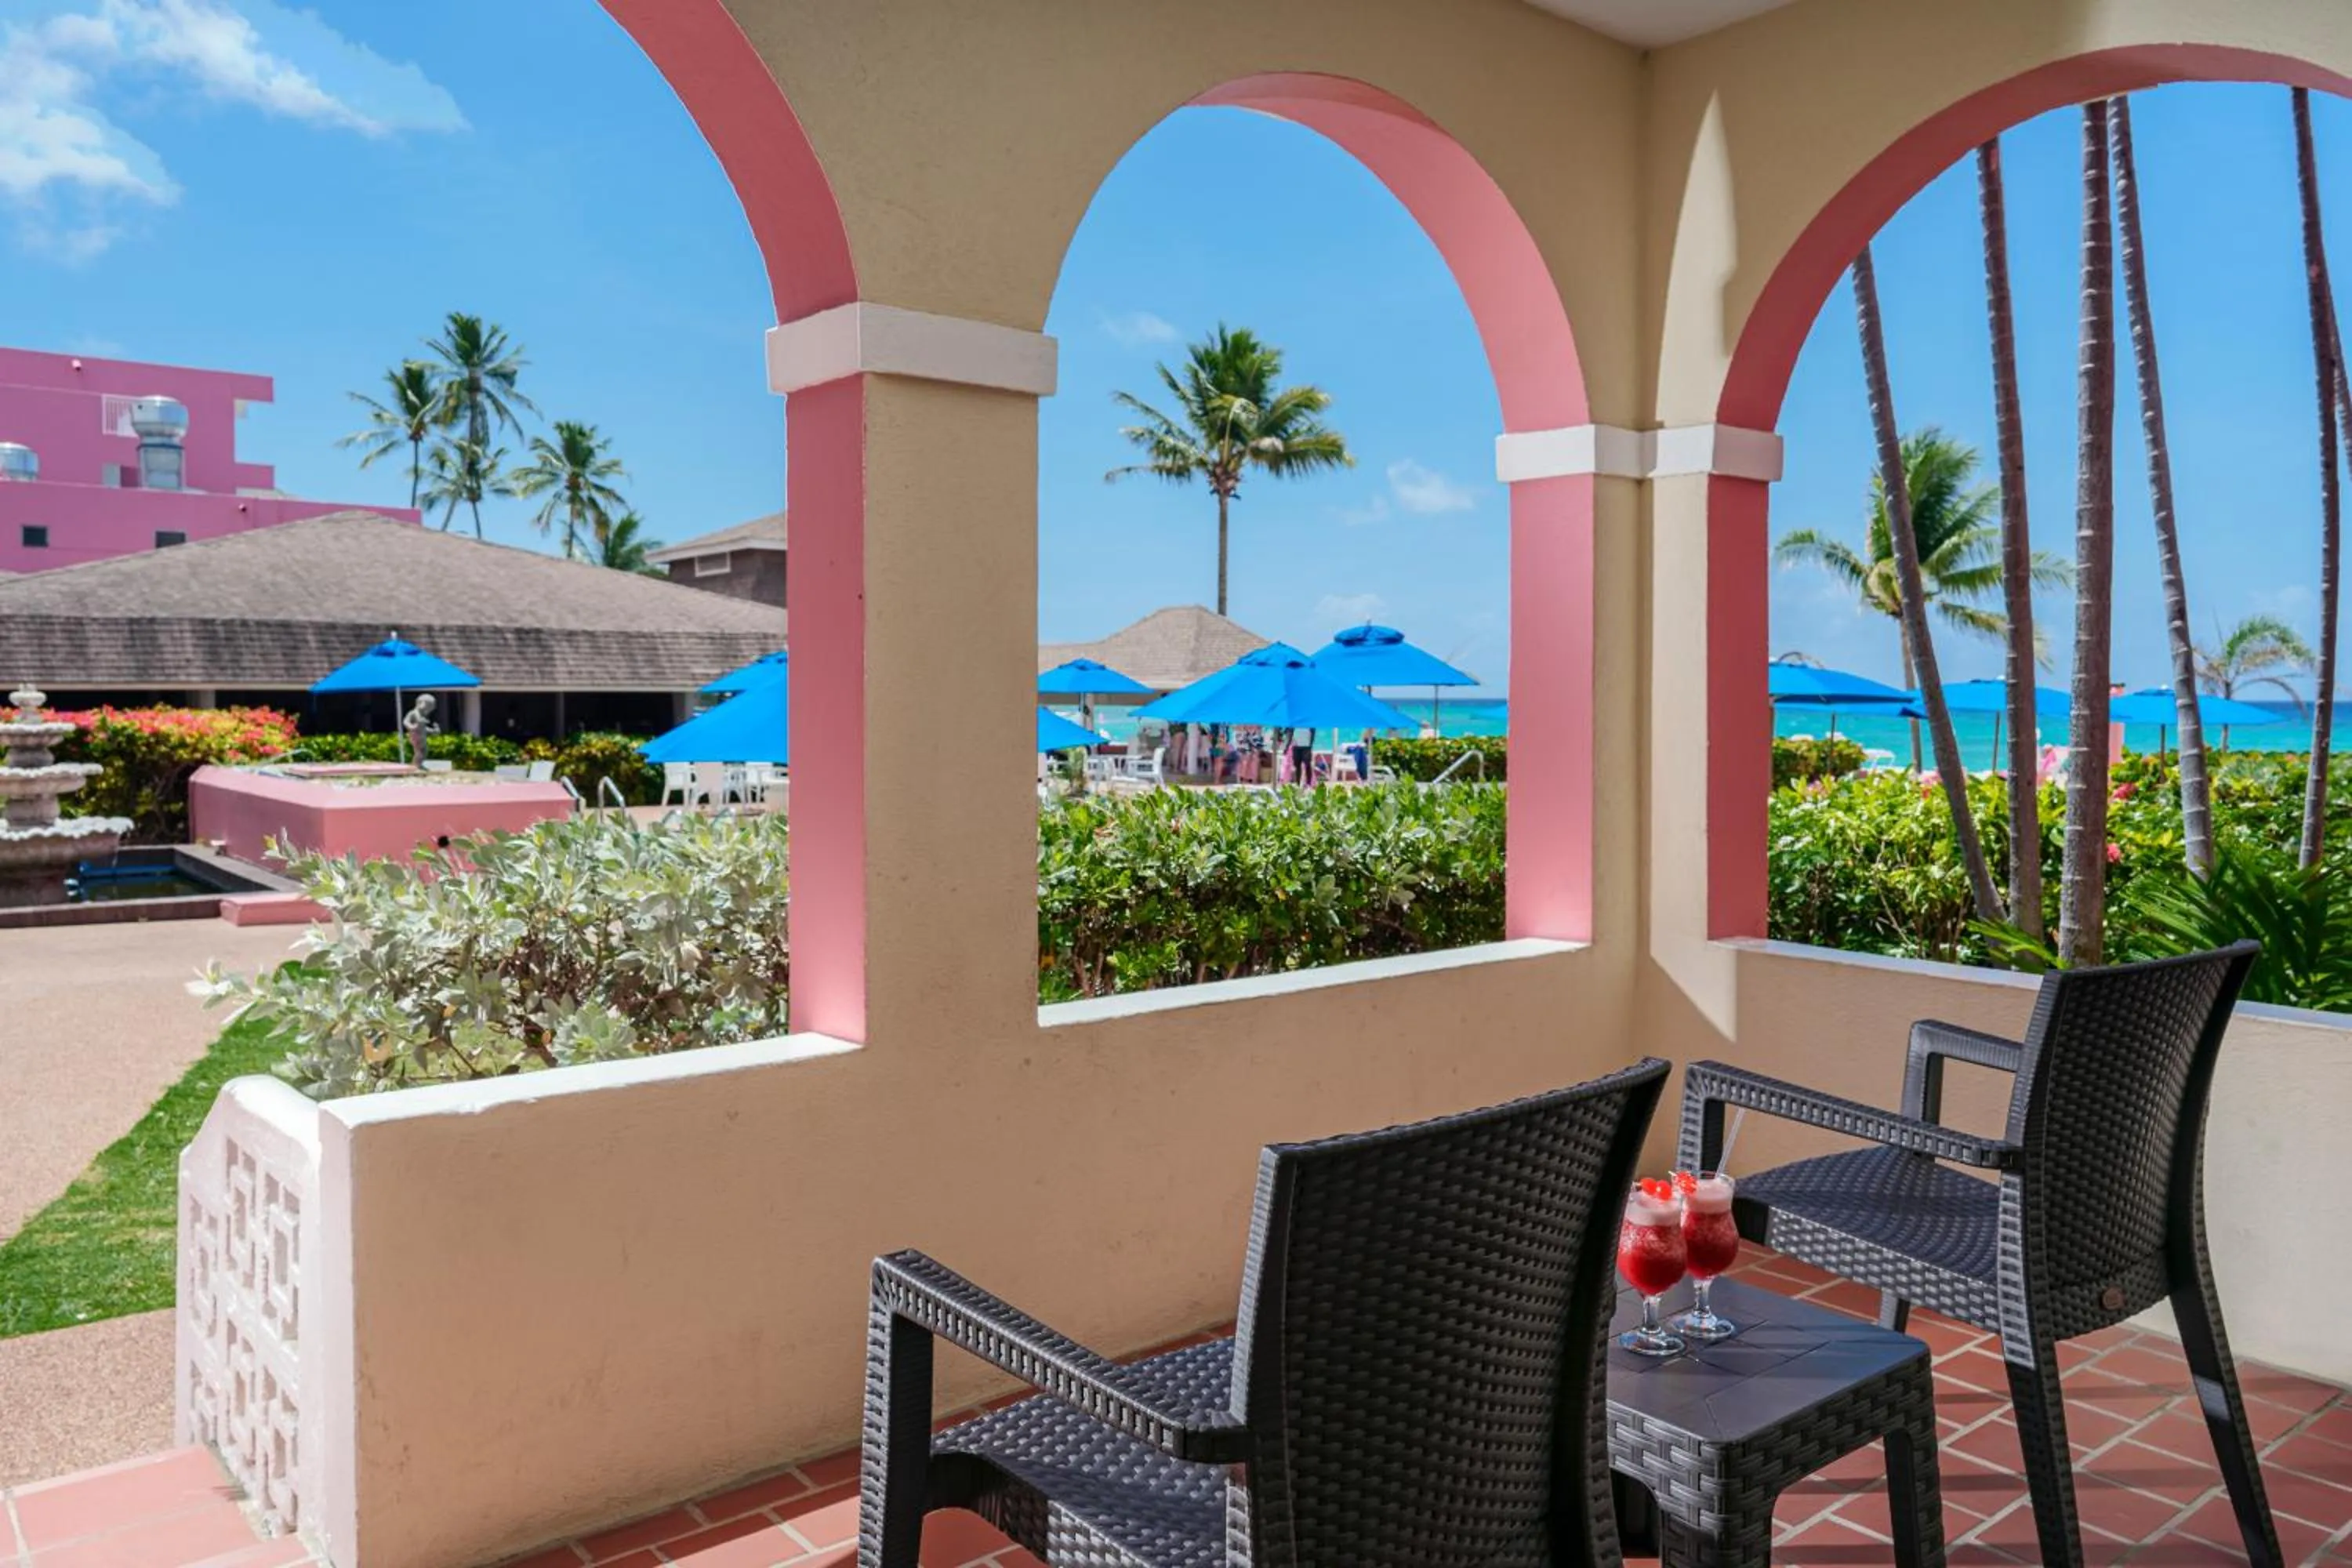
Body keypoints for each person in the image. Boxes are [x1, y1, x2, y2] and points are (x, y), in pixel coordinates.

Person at [401, 693, 439, 769]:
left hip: (421, 736)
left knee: (424, 751)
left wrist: (433, 731)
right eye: (428, 708)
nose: (428, 711)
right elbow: (405, 722)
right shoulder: (413, 713)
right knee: (419, 751)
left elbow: (423, 728)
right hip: (415, 735)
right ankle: (415, 766)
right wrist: (412, 727)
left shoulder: (421, 715)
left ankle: (418, 765)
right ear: (422, 704)